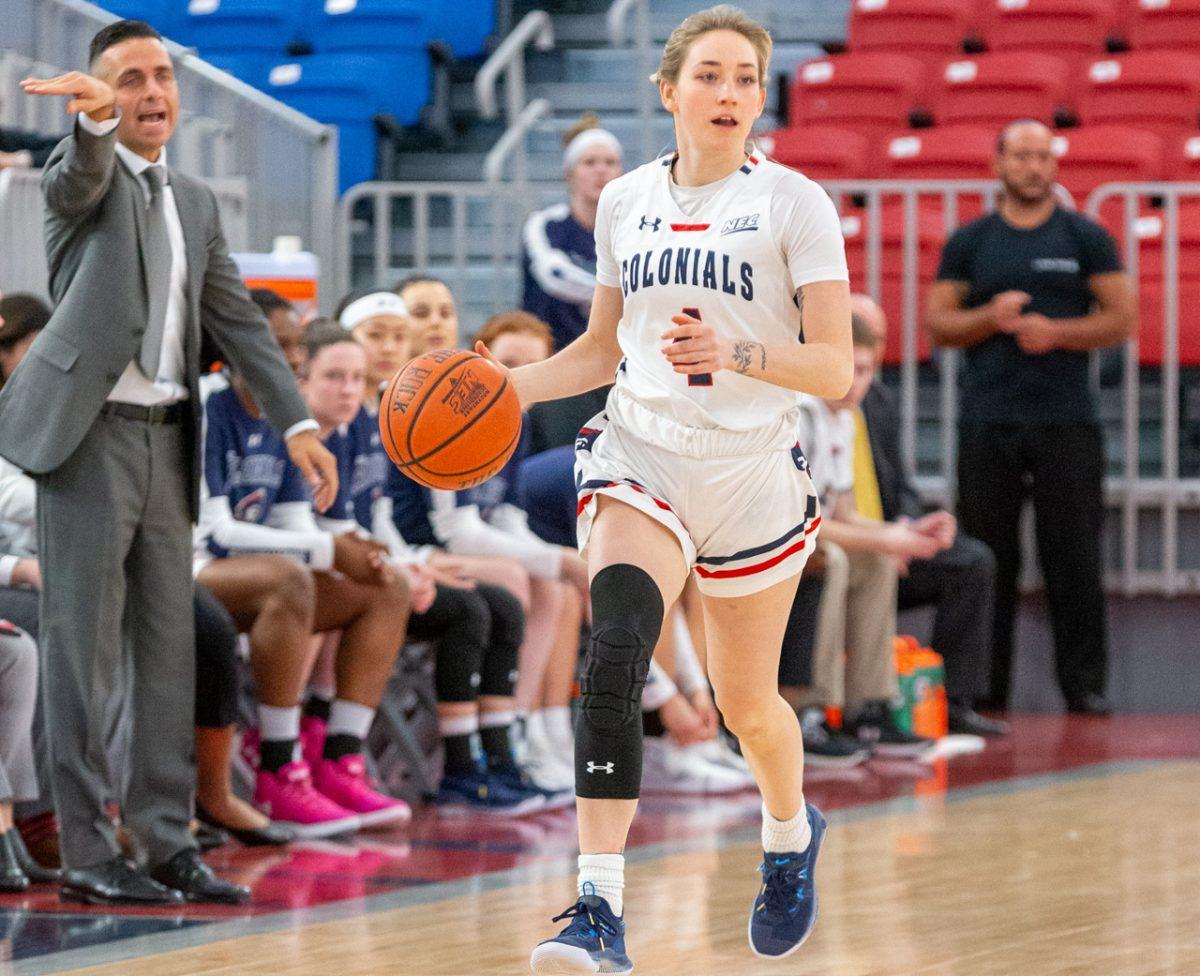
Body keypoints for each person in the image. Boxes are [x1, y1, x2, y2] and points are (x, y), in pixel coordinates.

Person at [474, 8, 854, 970]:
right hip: (641, 450)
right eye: (712, 76)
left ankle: (786, 833)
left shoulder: (794, 204)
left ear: (760, 98)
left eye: (746, 80)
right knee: (617, 647)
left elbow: (836, 370)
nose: (729, 94)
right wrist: (504, 388)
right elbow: (603, 351)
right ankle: (598, 911)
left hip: (753, 469)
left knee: (749, 708)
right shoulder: (627, 201)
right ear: (669, 89)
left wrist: (740, 350)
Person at [3, 20, 338, 906]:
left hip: (167, 437)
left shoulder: (194, 199)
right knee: (82, 656)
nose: (152, 92)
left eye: (163, 76)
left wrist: (299, 423)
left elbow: (238, 321)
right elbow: (77, 177)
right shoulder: (82, 174)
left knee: (169, 650)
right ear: (102, 94)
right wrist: (93, 123)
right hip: (88, 439)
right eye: (129, 79)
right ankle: (84, 848)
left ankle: (161, 839)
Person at [924, 119, 1135, 715]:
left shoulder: (1085, 236)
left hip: (1067, 421)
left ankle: (1085, 688)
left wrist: (1057, 333)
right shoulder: (971, 241)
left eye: (1043, 156)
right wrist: (990, 317)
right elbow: (939, 324)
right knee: (989, 557)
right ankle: (983, 692)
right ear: (998, 164)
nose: (1034, 167)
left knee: (1075, 557)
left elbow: (1122, 318)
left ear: (1055, 165)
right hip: (987, 420)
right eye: (1022, 156)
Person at [301, 319, 552, 815]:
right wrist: (412, 564)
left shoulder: (366, 428)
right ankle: (317, 746)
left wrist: (408, 565)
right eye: (336, 376)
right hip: (326, 572)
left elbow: (373, 521)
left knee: (498, 603)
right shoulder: (382, 422)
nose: (350, 386)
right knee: (472, 605)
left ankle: (499, 752)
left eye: (354, 378)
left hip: (380, 561)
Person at [195, 353, 412, 837]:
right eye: (281, 356)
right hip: (193, 568)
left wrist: (357, 554)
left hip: (256, 572)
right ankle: (278, 764)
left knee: (386, 584)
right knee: (290, 579)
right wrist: (329, 549)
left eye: (292, 361)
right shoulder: (211, 407)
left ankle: (339, 758)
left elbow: (295, 521)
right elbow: (216, 534)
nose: (284, 371)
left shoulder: (284, 417)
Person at [387, 302, 589, 797]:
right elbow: (457, 530)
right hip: (423, 547)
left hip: (447, 546)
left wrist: (562, 564)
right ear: (483, 358)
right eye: (511, 364)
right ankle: (507, 739)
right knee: (529, 577)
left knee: (557, 588)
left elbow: (506, 518)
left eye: (533, 368)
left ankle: (540, 731)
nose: (521, 379)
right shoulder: (447, 411)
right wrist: (559, 559)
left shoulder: (508, 424)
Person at [851, 295, 1007, 736]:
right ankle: (857, 708)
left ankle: (952, 702)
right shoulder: (810, 403)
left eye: (877, 339)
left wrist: (905, 529)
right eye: (858, 333)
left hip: (884, 538)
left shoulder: (879, 399)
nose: (871, 346)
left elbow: (902, 488)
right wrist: (882, 541)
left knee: (971, 562)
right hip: (843, 542)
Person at [795, 315, 935, 762]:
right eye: (850, 369)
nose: (858, 382)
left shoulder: (846, 419)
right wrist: (888, 539)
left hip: (807, 539)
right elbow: (802, 524)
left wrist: (906, 532)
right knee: (833, 558)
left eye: (867, 370)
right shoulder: (797, 414)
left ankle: (868, 707)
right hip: (765, 547)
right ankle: (806, 711)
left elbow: (845, 513)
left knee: (874, 560)